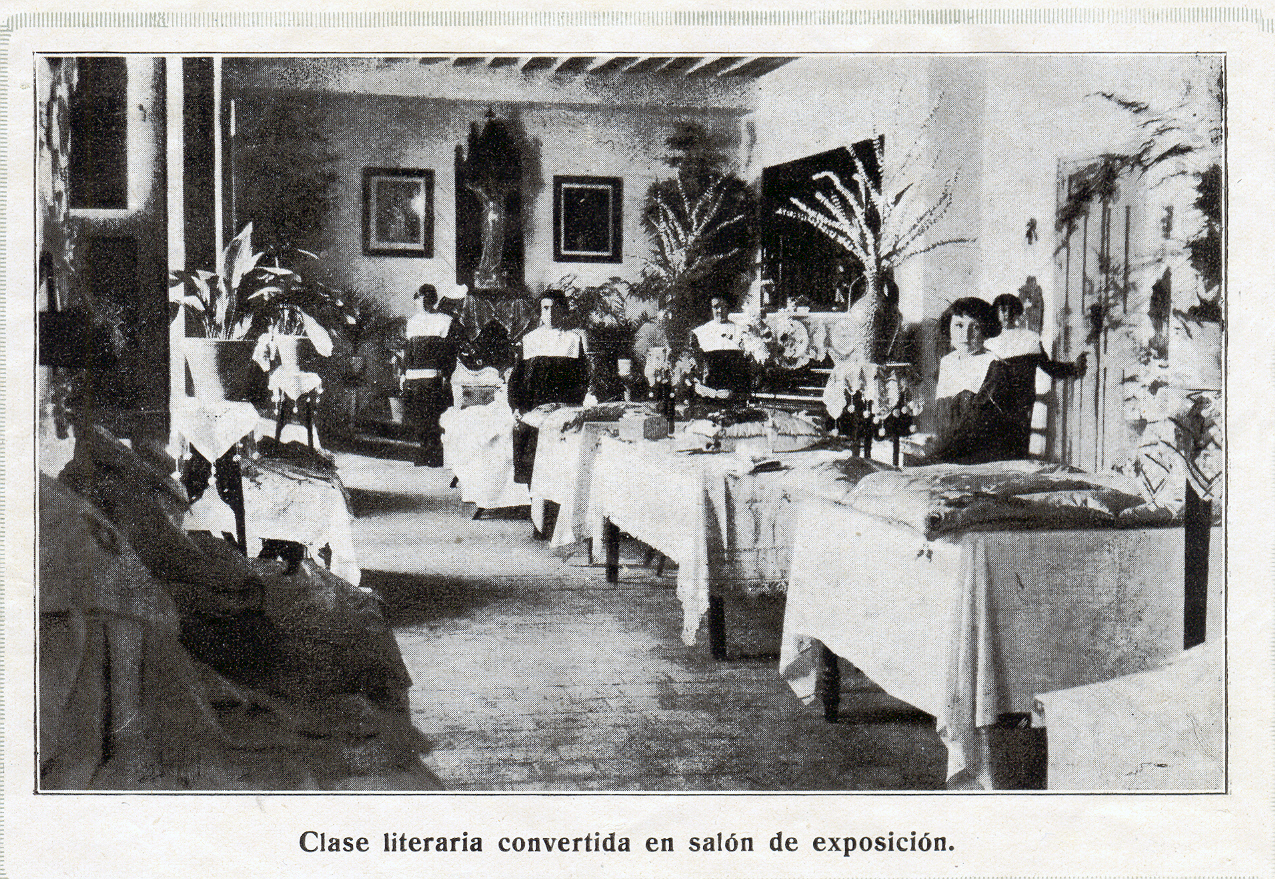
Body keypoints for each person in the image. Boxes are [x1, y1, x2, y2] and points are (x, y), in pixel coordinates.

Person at [507, 288, 589, 485]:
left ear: (563, 311)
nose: (550, 313)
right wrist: (517, 407)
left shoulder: (573, 340)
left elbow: (582, 379)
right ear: (540, 311)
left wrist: (570, 404)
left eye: (555, 308)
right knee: (529, 442)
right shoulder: (530, 340)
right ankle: (534, 494)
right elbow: (517, 378)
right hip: (534, 406)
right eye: (545, 308)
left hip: (564, 407)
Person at [403, 284, 460, 467]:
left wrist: (446, 375)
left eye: (426, 300)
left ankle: (434, 454)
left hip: (434, 376)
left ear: (432, 300)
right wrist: (404, 374)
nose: (422, 303)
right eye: (419, 300)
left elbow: (449, 352)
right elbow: (409, 351)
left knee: (434, 416)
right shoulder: (412, 322)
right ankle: (423, 452)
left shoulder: (445, 321)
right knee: (418, 416)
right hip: (414, 376)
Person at [690, 295, 751, 404]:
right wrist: (713, 393)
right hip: (708, 396)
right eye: (716, 307)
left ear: (729, 307)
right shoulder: (700, 332)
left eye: (724, 306)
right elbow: (695, 375)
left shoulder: (741, 331)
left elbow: (746, 368)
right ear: (710, 308)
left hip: (735, 395)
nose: (720, 310)